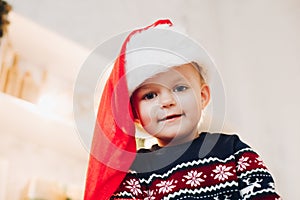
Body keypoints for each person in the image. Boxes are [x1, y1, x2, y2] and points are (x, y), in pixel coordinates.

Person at [84, 19, 281, 200]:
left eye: (180, 88)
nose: (168, 101)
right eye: (150, 95)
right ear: (134, 114)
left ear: (203, 97)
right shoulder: (136, 173)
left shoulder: (232, 151)